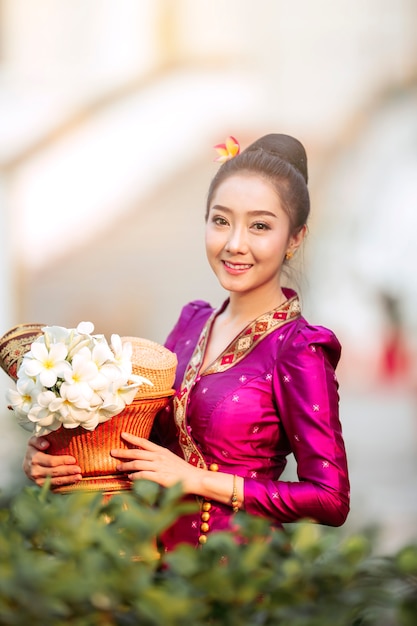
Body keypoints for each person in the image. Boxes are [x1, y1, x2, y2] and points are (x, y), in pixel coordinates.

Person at [23, 133, 350, 550]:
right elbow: (146, 447)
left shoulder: (299, 349)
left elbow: (330, 498)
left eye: (260, 226)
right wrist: (61, 458)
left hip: (238, 577)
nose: (234, 244)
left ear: (295, 238)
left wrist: (198, 480)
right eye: (221, 220)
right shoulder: (192, 323)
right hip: (152, 563)